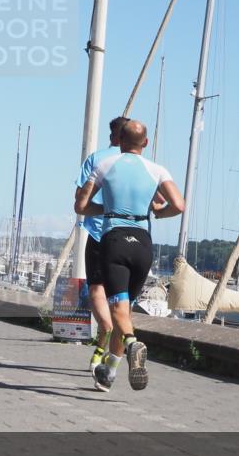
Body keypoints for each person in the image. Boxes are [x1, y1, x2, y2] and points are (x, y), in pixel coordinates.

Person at [74, 120, 184, 394]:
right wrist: (158, 212)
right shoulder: (158, 170)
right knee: (126, 310)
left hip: (115, 240)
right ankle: (108, 373)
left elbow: (81, 205)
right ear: (145, 143)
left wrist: (108, 209)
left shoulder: (105, 166)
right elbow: (178, 205)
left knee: (118, 310)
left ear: (119, 140)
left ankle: (134, 343)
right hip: (143, 244)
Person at [75, 116, 128, 373]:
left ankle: (105, 329)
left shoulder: (97, 159)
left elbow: (79, 199)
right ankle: (115, 357)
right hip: (131, 238)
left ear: (112, 135)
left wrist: (103, 210)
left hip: (98, 233)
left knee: (96, 288)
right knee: (122, 299)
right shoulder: (140, 164)